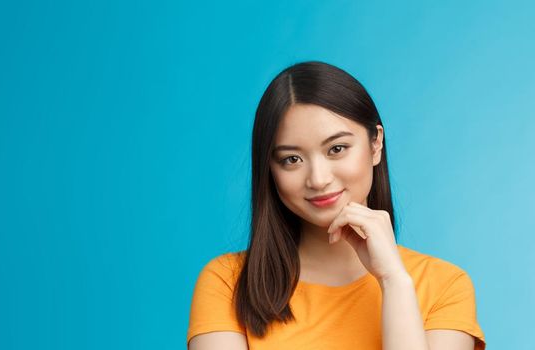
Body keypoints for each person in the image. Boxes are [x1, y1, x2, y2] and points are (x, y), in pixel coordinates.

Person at [187, 61, 485, 350]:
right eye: (292, 159)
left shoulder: (445, 286)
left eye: (336, 149)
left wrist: (394, 282)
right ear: (270, 169)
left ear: (375, 144)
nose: (318, 179)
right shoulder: (228, 283)